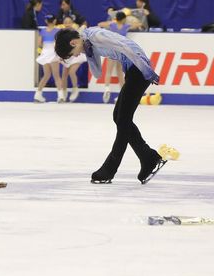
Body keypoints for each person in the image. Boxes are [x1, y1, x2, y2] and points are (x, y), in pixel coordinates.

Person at [55, 26, 167, 185]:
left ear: (73, 42)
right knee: (120, 118)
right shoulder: (88, 43)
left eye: (72, 54)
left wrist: (147, 71)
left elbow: (126, 46)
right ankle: (148, 158)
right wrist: (89, 53)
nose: (76, 55)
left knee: (123, 120)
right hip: (133, 70)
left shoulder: (96, 35)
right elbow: (97, 73)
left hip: (139, 68)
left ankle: (110, 169)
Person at [33, 15, 64, 103]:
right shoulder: (57, 31)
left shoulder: (43, 31)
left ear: (46, 21)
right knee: (57, 76)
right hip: (53, 52)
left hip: (45, 52)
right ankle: (61, 96)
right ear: (54, 21)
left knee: (46, 75)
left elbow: (39, 43)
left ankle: (37, 95)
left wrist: (42, 50)